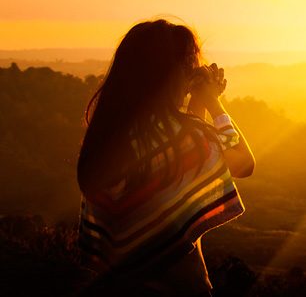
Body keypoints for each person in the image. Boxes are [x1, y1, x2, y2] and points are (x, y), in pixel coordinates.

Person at [76, 19, 255, 296]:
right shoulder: (184, 135)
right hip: (180, 287)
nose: (192, 73)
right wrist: (212, 101)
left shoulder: (113, 136)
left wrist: (197, 101)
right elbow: (243, 162)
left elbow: (186, 163)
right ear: (169, 73)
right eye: (188, 65)